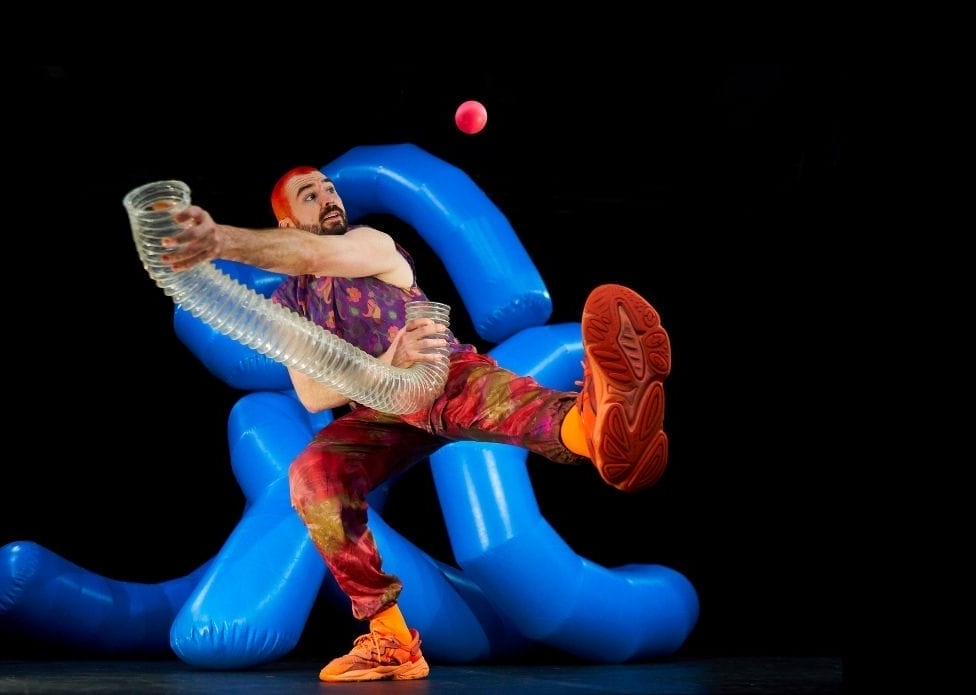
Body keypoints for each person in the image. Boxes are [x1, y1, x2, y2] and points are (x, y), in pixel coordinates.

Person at [160, 166, 671, 682]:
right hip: (380, 409)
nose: (329, 197)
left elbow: (315, 255)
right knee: (314, 477)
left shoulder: (370, 243)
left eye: (330, 188)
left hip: (439, 375)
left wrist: (218, 240)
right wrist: (386, 362)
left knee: (506, 405)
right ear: (287, 221)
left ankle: (600, 429)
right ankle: (392, 640)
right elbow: (314, 394)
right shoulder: (290, 303)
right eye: (310, 195)